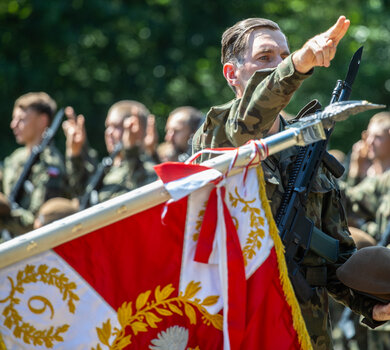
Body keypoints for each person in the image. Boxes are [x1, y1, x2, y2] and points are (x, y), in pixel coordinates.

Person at [192, 15, 390, 349]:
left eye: (284, 56)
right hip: (240, 326)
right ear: (232, 74)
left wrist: (371, 305)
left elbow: (334, 256)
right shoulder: (218, 133)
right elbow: (246, 127)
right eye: (265, 58)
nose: (280, 65)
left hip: (306, 331)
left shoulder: (309, 145)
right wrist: (299, 64)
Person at [0, 92, 69, 238]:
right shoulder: (15, 158)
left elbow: (39, 222)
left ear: (42, 121)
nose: (13, 125)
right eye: (14, 119)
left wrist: (5, 215)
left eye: (22, 119)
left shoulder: (50, 165)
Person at [64, 100, 157, 207]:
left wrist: (131, 151)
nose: (109, 132)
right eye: (108, 126)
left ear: (138, 130)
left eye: (117, 126)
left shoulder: (148, 168)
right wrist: (76, 154)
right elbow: (83, 194)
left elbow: (143, 196)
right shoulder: (109, 169)